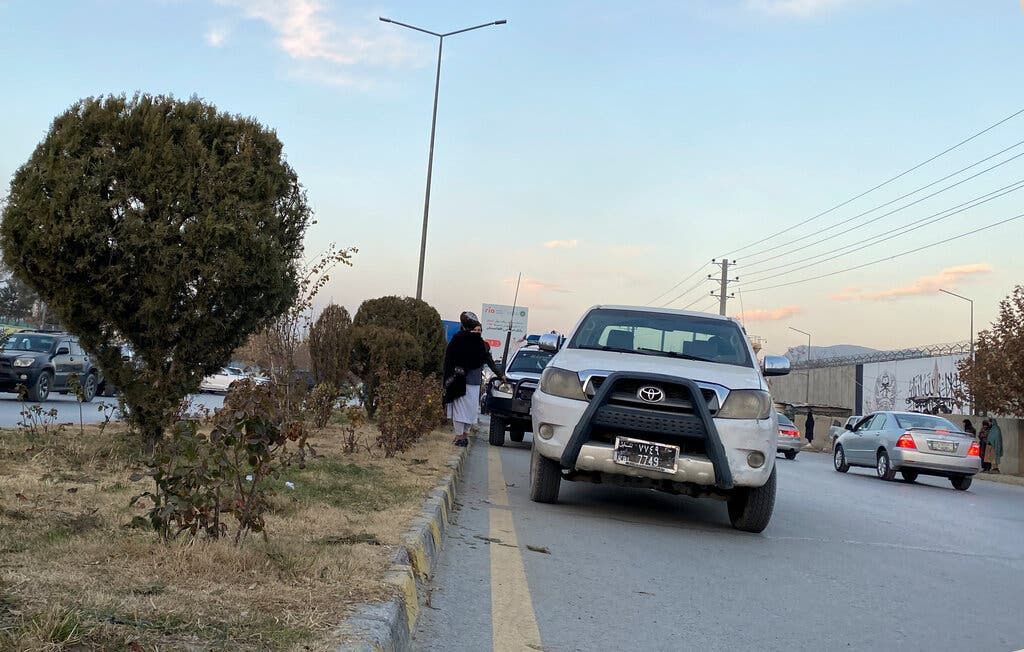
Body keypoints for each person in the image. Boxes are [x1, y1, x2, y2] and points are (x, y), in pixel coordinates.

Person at [443, 311, 503, 447]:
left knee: (469, 412)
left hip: (472, 383)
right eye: (475, 330)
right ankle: (460, 437)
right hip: (460, 383)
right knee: (460, 411)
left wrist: (501, 375)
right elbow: (450, 361)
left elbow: (490, 361)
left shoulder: (479, 344)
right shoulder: (461, 341)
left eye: (479, 330)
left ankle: (463, 436)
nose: (477, 332)